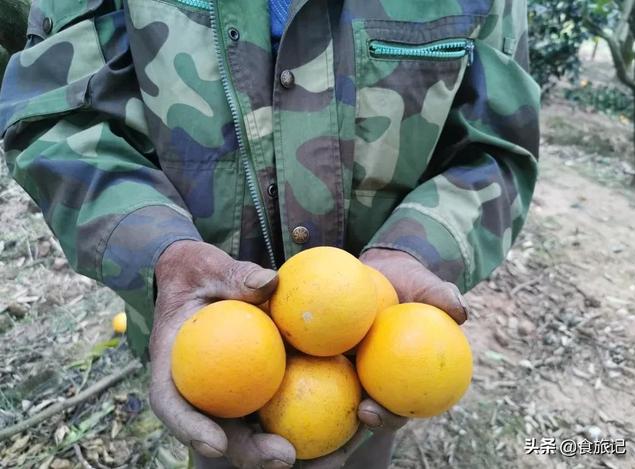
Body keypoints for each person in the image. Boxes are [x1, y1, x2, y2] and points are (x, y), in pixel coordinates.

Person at [0, 0, 539, 467]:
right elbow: (56, 116)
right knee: (216, 447)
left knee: (361, 447)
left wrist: (417, 249)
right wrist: (162, 251)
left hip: (376, 363)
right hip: (200, 344)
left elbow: (495, 146)